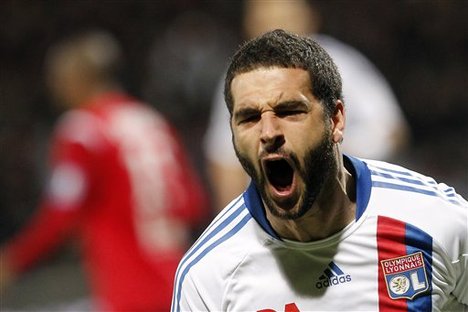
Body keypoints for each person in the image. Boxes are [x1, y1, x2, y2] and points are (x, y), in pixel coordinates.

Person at [172, 30, 467, 311]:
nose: (269, 132)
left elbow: (390, 129)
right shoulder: (208, 274)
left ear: (336, 120)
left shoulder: (435, 218)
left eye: (289, 111)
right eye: (249, 118)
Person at [0, 30, 207, 311]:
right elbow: (193, 203)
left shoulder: (83, 130)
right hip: (180, 284)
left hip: (130, 291)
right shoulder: (152, 121)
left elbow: (61, 214)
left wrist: (13, 261)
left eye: (58, 79)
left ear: (78, 79)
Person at [203, 0, 410, 211]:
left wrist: (332, 151)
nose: (278, 30)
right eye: (267, 20)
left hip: (347, 206)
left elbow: (392, 129)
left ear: (310, 19)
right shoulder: (241, 78)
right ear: (249, 25)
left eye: (286, 18)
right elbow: (224, 160)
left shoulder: (341, 63)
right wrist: (237, 223)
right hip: (275, 214)